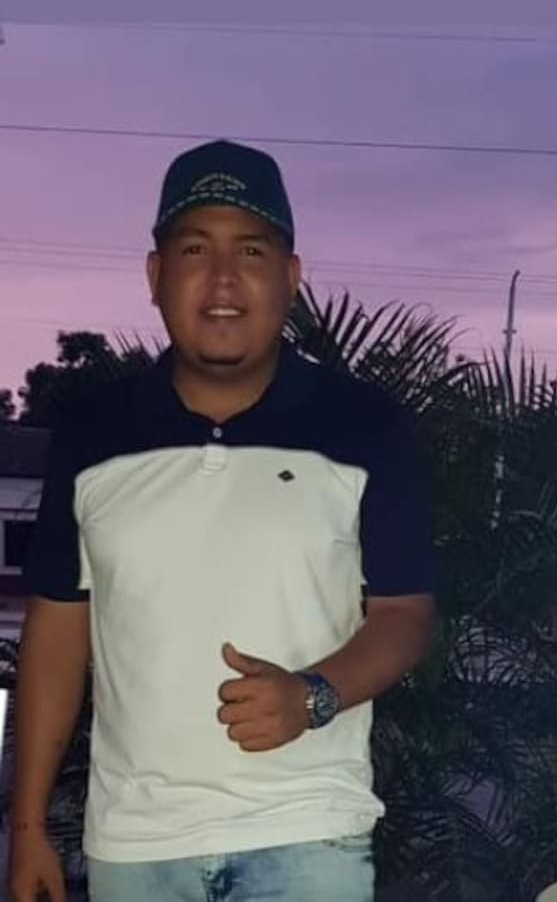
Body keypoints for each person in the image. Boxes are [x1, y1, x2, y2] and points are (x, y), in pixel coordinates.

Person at [9, 140, 436, 902]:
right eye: (195, 249)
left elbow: (404, 612)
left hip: (307, 836)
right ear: (155, 275)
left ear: (291, 277)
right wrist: (29, 824)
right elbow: (57, 630)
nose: (224, 277)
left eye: (252, 250)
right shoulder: (93, 431)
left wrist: (313, 695)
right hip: (136, 846)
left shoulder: (364, 425)